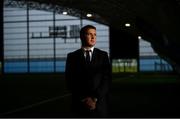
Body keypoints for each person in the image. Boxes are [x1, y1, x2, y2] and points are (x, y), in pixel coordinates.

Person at [65, 25, 111, 117]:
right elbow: (69, 80)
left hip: (99, 106)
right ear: (82, 36)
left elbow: (107, 79)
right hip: (79, 105)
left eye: (95, 34)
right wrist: (84, 98)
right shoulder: (72, 56)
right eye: (89, 34)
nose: (93, 37)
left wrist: (94, 99)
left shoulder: (103, 55)